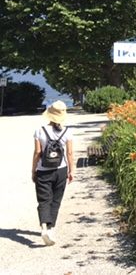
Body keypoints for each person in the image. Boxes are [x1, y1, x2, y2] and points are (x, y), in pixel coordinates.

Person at [31, 100, 75, 246]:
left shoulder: (40, 130)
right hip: (60, 170)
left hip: (43, 170)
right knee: (56, 200)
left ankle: (44, 226)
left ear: (49, 115)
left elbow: (37, 152)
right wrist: (71, 170)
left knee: (44, 200)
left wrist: (33, 170)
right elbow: (69, 153)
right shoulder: (67, 131)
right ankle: (51, 229)